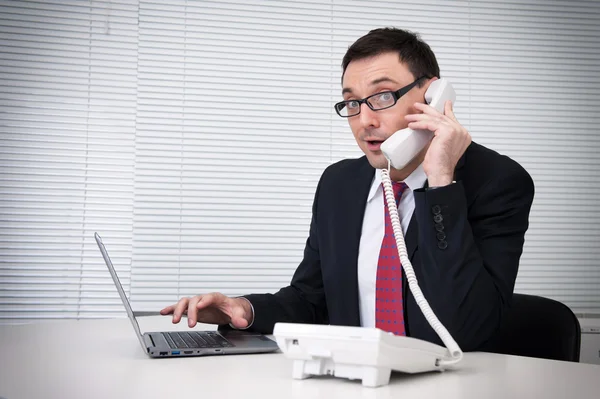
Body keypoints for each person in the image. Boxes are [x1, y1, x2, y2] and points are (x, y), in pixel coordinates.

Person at [160, 27, 534, 352]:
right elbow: (312, 299)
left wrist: (441, 183)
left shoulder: (498, 182)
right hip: (353, 382)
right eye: (352, 102)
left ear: (433, 95)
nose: (365, 120)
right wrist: (244, 309)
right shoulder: (339, 184)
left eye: (384, 96)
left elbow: (466, 329)